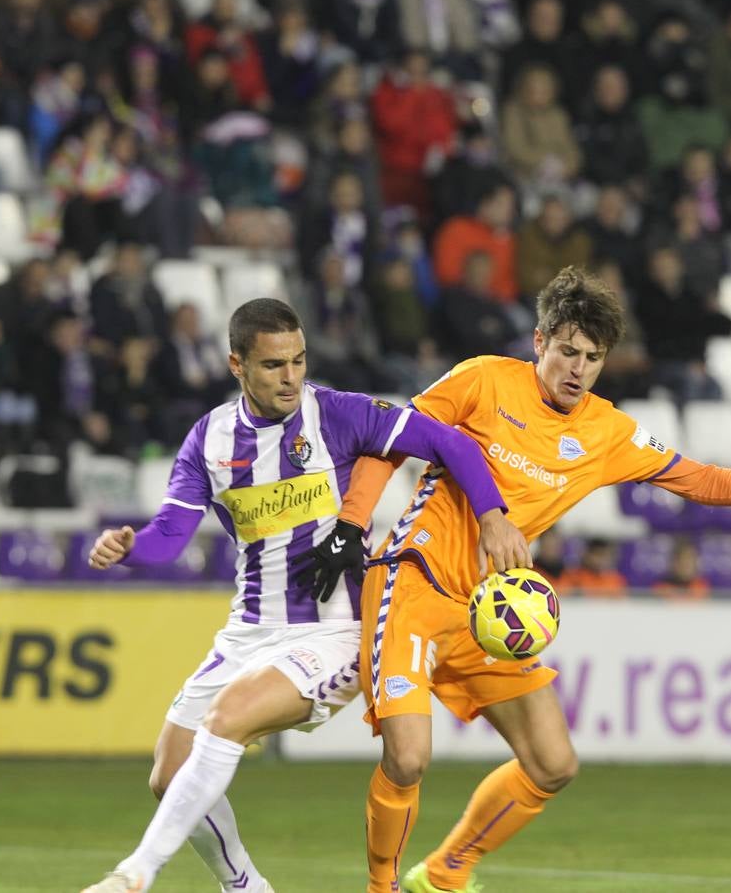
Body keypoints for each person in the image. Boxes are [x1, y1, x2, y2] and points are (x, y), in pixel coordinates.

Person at [305, 267, 731, 893]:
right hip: (415, 583)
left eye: (593, 358)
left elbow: (696, 478)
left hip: (493, 613)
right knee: (407, 758)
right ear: (539, 342)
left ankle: (449, 871)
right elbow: (389, 441)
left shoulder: (608, 432)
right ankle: (382, 888)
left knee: (553, 764)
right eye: (567, 351)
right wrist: (351, 522)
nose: (578, 368)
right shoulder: (482, 378)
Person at [79, 298, 528, 893]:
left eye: (298, 361)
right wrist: (129, 547)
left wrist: (492, 515)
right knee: (169, 772)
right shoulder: (209, 439)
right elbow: (169, 536)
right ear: (237, 365)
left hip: (336, 627)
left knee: (229, 718)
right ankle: (245, 885)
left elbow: (454, 445)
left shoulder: (338, 414)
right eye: (273, 366)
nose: (291, 377)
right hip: (249, 629)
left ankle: (135, 874)